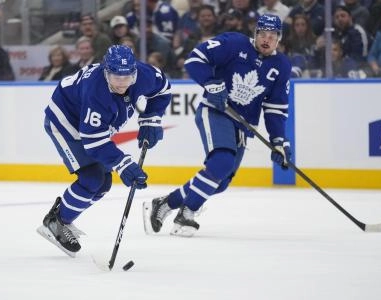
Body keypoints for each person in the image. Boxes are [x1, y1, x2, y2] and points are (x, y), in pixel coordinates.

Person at [142, 14, 292, 237]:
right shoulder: (233, 43)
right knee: (221, 162)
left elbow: (275, 109)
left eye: (272, 36)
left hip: (242, 126)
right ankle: (186, 213)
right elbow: (195, 59)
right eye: (262, 34)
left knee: (219, 182)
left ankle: (164, 203)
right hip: (216, 111)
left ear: (278, 39)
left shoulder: (281, 66)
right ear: (255, 33)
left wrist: (279, 141)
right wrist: (210, 83)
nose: (266, 40)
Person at [37, 45, 172, 257]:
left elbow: (163, 89)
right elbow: (93, 140)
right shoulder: (96, 92)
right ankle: (56, 223)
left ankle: (62, 219)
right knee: (91, 178)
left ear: (135, 72)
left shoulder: (144, 74)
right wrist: (124, 164)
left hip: (89, 126)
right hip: (64, 121)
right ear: (105, 72)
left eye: (127, 77)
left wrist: (151, 118)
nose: (122, 83)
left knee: (103, 183)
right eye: (116, 77)